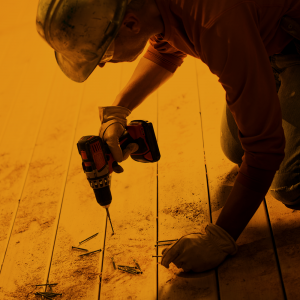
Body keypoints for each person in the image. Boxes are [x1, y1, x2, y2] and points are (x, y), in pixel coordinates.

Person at [36, 0, 300, 273]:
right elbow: (166, 49)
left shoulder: (218, 22)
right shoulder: (156, 7)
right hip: (264, 38)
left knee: (288, 184)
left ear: (130, 24)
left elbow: (265, 150)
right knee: (235, 149)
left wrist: (221, 236)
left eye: (103, 53)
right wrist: (118, 111)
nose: (103, 65)